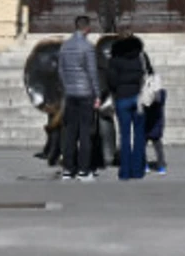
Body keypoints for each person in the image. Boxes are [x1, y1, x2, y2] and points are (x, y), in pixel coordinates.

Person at [56, 14, 103, 180]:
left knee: (70, 132)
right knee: (85, 133)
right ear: (87, 29)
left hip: (70, 94)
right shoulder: (88, 47)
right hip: (85, 94)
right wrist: (97, 95)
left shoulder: (65, 46)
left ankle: (68, 169)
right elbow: (92, 73)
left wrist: (67, 87)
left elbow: (60, 70)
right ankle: (84, 169)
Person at [107, 32, 152, 181]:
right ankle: (138, 170)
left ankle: (125, 171)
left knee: (124, 136)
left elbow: (111, 81)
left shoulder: (114, 59)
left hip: (122, 98)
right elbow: (150, 73)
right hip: (139, 98)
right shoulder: (141, 56)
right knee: (139, 135)